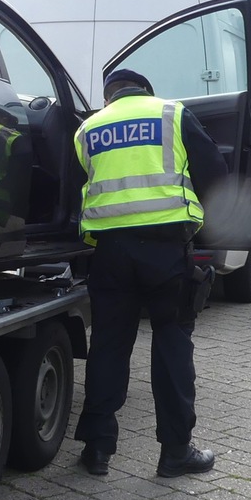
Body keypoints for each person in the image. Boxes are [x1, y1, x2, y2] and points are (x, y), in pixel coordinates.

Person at [72, 69, 228, 478]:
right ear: (146, 90)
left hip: (109, 253)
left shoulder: (88, 128)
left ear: (109, 98)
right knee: (172, 346)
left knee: (108, 346)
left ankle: (97, 450)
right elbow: (215, 173)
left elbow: (77, 186)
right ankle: (175, 452)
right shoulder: (171, 113)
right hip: (166, 251)